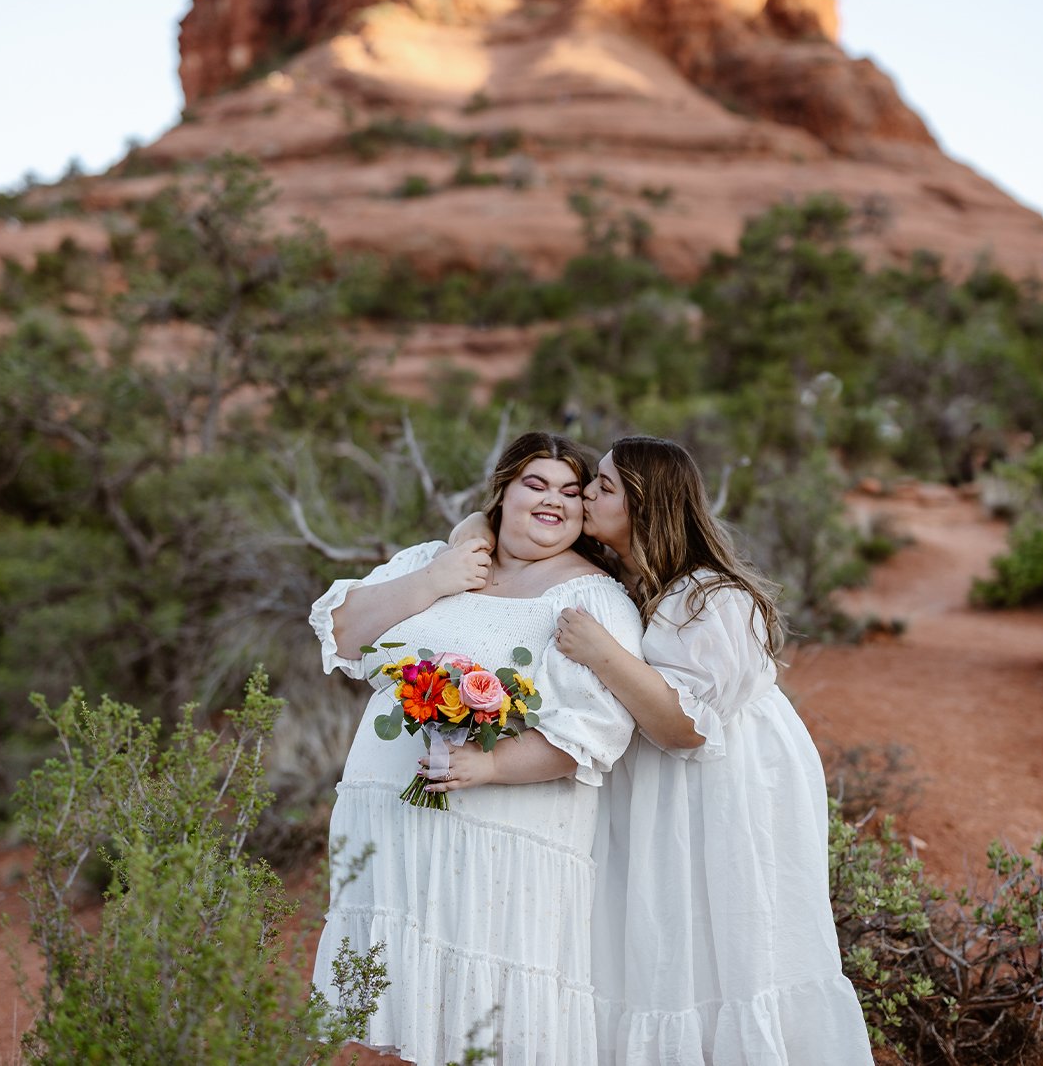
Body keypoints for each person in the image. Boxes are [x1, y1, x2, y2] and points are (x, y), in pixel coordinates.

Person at [308, 432, 644, 1066]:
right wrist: (437, 578)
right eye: (535, 485)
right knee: (397, 1004)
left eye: (572, 492)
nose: (553, 502)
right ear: (503, 491)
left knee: (489, 1012)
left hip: (499, 834)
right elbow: (345, 634)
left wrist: (490, 764)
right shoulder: (439, 559)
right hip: (391, 821)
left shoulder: (592, 600)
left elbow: (596, 732)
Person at [557, 435, 875, 1066]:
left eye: (603, 486)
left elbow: (685, 728)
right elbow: (486, 522)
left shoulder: (710, 597)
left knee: (726, 937)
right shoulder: (626, 581)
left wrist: (601, 652)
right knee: (659, 939)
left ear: (647, 507)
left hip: (724, 786)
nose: (585, 495)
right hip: (658, 790)